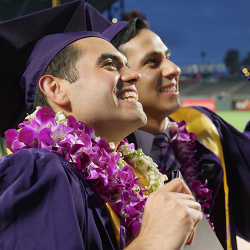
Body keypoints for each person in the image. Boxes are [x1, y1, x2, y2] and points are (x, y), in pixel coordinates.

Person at [0, 2, 202, 250]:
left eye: (127, 65)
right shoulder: (37, 168)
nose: (133, 75)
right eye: (110, 65)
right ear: (56, 89)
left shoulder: (130, 178)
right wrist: (153, 239)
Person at [100, 18, 250, 250]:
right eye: (152, 61)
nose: (174, 69)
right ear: (123, 78)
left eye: (168, 57)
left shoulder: (203, 129)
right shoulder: (103, 165)